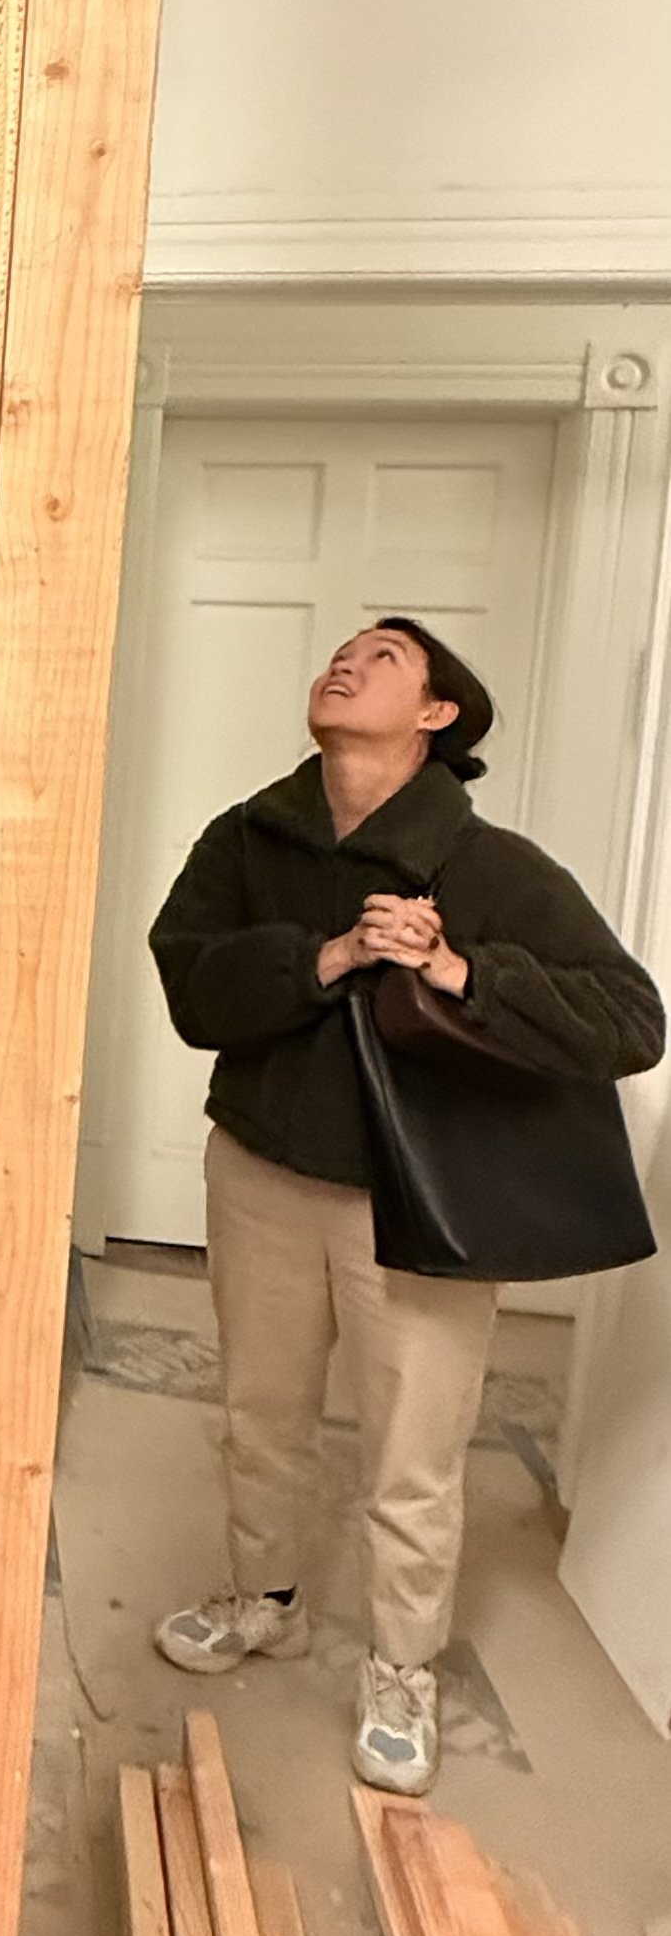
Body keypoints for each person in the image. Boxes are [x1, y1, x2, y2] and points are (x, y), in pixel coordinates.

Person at [147, 616, 663, 1792]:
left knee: (412, 1458)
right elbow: (191, 983)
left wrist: (460, 970)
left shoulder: (486, 865)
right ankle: (264, 1599)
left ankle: (401, 1663)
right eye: (341, 649)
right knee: (260, 1414)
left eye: (384, 656)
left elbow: (631, 1021)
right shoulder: (250, 835)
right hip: (265, 1176)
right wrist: (321, 959)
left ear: (437, 716)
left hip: (418, 1211)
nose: (346, 660)